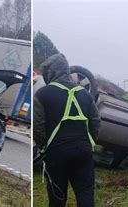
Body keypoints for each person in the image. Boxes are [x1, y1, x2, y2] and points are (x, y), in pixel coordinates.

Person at [34, 54, 100, 207]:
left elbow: (38, 127)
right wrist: (88, 142)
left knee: (57, 198)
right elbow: (96, 122)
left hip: (57, 154)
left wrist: (45, 146)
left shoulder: (42, 94)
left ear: (50, 73)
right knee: (85, 195)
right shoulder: (85, 94)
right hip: (83, 152)